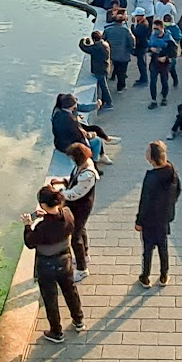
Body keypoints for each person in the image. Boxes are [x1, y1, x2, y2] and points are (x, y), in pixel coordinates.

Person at [24, 187, 83, 344]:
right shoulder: (68, 215)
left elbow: (30, 242)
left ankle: (56, 331)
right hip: (65, 259)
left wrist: (28, 225)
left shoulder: (42, 228)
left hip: (47, 264)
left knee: (50, 298)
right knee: (70, 290)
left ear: (43, 205)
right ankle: (78, 320)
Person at [134, 141, 182, 289]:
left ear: (151, 158)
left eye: (147, 151)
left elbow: (145, 201)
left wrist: (139, 221)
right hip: (164, 218)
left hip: (150, 221)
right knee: (163, 248)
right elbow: (178, 190)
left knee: (147, 250)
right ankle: (163, 275)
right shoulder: (172, 170)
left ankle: (145, 277)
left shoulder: (151, 177)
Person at [49, 142, 100, 279]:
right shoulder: (82, 165)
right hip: (77, 205)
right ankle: (85, 254)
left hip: (81, 206)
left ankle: (82, 269)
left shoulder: (88, 174)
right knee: (81, 229)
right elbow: (73, 181)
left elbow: (76, 193)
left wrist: (59, 193)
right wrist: (62, 182)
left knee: (75, 236)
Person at [52, 93, 114, 164]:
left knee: (95, 130)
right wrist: (89, 136)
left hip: (60, 142)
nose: (76, 105)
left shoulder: (58, 114)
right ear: (70, 106)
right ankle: (95, 160)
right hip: (69, 145)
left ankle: (104, 144)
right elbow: (78, 135)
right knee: (97, 140)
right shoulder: (69, 119)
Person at [147, 21, 179, 108]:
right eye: (154, 29)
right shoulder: (153, 37)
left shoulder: (169, 39)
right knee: (153, 81)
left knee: (164, 81)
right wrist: (151, 49)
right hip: (154, 61)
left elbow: (174, 52)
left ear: (162, 28)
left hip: (165, 63)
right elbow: (148, 46)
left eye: (157, 28)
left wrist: (166, 57)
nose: (155, 31)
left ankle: (164, 98)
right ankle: (153, 100)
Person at [80, 30, 114, 110]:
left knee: (104, 86)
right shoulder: (105, 44)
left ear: (94, 39)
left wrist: (83, 40)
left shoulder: (97, 47)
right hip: (105, 67)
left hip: (100, 69)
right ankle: (104, 101)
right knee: (103, 85)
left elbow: (84, 47)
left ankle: (109, 103)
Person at [103, 14, 135, 94]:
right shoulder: (126, 30)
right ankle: (120, 87)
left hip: (113, 54)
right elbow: (131, 41)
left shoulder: (108, 30)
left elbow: (103, 40)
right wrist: (131, 49)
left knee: (116, 67)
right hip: (124, 54)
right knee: (123, 71)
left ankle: (117, 80)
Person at [130, 10, 152, 87]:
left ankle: (144, 79)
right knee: (141, 63)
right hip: (142, 45)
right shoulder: (143, 23)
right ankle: (142, 77)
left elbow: (136, 33)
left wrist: (132, 25)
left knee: (141, 63)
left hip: (141, 46)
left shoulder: (143, 25)